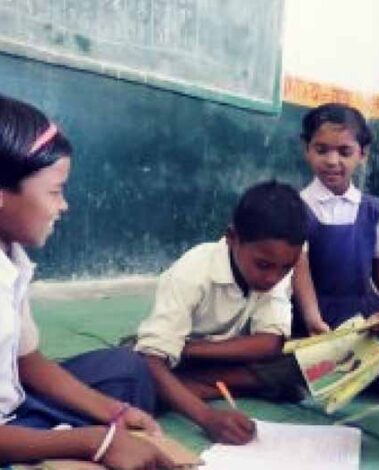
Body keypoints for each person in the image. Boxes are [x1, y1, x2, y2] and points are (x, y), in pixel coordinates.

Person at [0, 95, 172, 469]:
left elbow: (27, 362)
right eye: (54, 191)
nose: (64, 205)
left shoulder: (11, 257)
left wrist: (114, 413)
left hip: (14, 408)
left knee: (127, 371)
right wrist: (93, 442)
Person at [135, 181, 307, 445]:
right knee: (134, 370)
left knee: (300, 362)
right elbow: (152, 358)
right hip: (173, 356)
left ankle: (184, 389)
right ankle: (192, 389)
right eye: (263, 265)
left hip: (208, 353)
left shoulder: (274, 270)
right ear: (232, 237)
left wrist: (189, 349)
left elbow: (269, 342)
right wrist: (207, 418)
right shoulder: (192, 273)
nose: (273, 277)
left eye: (286, 268)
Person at [292, 103, 379, 335]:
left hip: (365, 314)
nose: (332, 161)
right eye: (321, 150)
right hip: (315, 316)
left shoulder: (373, 209)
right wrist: (313, 320)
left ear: (362, 153)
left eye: (345, 152)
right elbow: (300, 274)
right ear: (306, 149)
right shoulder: (296, 207)